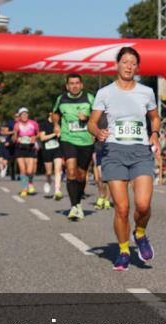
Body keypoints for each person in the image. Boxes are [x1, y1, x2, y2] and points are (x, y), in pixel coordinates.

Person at [88, 48, 161, 272]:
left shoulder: (146, 92)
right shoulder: (105, 93)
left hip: (140, 151)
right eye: (125, 62)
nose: (129, 66)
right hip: (114, 152)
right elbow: (92, 122)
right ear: (117, 65)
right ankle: (123, 251)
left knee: (143, 204)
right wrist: (97, 133)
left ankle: (139, 234)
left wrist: (155, 133)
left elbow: (155, 118)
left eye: (133, 63)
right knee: (121, 208)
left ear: (137, 67)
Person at [52, 73, 96, 221]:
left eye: (77, 83)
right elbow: (55, 113)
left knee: (81, 175)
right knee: (71, 170)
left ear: (81, 85)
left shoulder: (90, 98)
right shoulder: (61, 99)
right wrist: (56, 125)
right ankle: (74, 206)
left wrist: (88, 118)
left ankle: (78, 202)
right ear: (67, 86)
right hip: (68, 138)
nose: (75, 86)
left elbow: (100, 116)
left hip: (86, 141)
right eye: (71, 83)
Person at [12, 107, 39, 196]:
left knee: (30, 171)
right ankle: (24, 188)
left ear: (28, 115)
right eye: (22, 114)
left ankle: (30, 183)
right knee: (23, 170)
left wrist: (35, 138)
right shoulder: (17, 125)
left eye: (26, 114)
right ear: (19, 116)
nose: (24, 116)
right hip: (20, 148)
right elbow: (14, 137)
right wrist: (16, 139)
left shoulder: (33, 123)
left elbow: (38, 134)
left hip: (30, 148)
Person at [38, 109, 64, 200]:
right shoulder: (43, 124)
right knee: (49, 172)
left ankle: (57, 190)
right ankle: (48, 180)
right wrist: (54, 134)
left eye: (58, 115)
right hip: (47, 150)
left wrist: (60, 134)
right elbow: (42, 138)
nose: (57, 117)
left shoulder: (59, 123)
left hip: (58, 149)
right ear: (50, 114)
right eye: (55, 114)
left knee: (58, 170)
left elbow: (61, 135)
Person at [92, 113, 112, 211]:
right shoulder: (97, 114)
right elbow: (91, 127)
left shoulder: (114, 114)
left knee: (108, 177)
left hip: (111, 148)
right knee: (99, 177)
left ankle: (107, 200)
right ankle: (101, 196)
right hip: (98, 147)